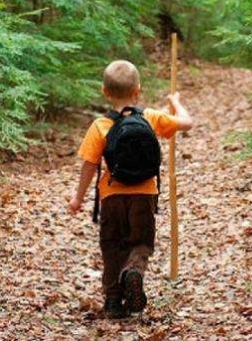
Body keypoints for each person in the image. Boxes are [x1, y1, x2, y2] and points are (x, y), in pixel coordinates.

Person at [68, 60, 193, 319]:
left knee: (112, 245)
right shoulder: (150, 117)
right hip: (144, 194)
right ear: (137, 90)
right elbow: (187, 122)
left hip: (112, 195)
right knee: (141, 243)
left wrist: (77, 198)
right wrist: (175, 101)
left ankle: (113, 302)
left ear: (105, 91)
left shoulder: (99, 126)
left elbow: (89, 165)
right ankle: (134, 270)